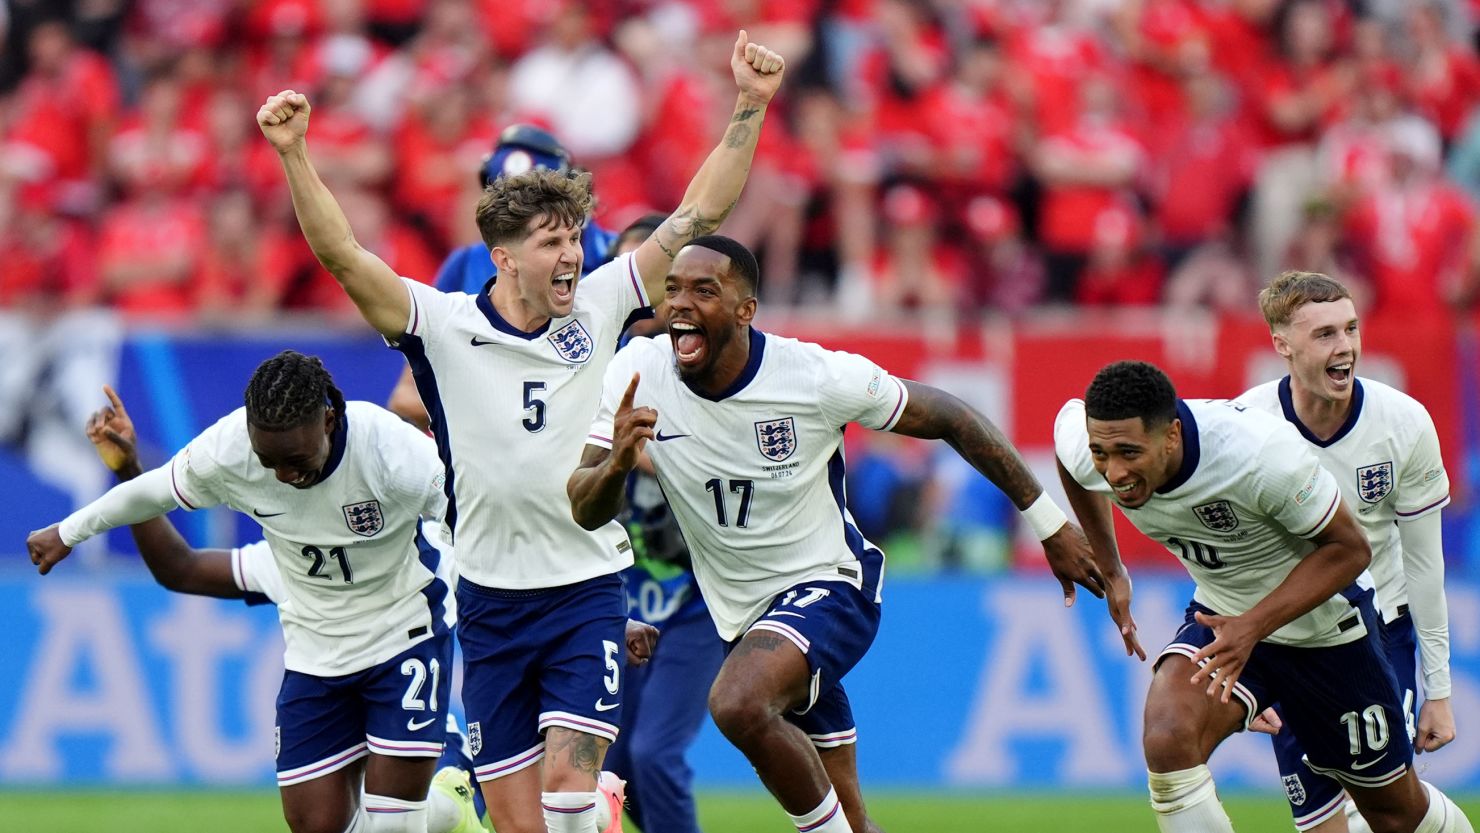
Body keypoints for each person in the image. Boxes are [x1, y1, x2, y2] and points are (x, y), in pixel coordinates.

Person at [257, 30, 787, 833]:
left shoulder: (605, 302)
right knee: (520, 824)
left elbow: (698, 212)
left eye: (576, 238)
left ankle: (594, 804)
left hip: (584, 593)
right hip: (490, 605)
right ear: (502, 257)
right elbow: (342, 256)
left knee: (569, 803)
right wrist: (296, 153)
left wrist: (748, 104)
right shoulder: (442, 325)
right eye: (553, 243)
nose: (574, 254)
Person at [567, 236, 1110, 833]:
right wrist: (618, 461)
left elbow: (952, 416)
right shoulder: (637, 370)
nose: (680, 305)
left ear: (747, 309)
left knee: (737, 703)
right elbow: (584, 506)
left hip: (832, 586)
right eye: (672, 289)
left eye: (704, 290)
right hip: (741, 617)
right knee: (854, 818)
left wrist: (1049, 523)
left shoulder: (814, 376)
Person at [26, 352, 464, 833]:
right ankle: (452, 808)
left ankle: (452, 789)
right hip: (316, 662)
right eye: (267, 462)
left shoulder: (391, 451)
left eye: (295, 461)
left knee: (393, 826)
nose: (283, 477)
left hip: (405, 637)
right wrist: (75, 525)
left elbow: (475, 519)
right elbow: (180, 565)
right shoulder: (273, 538)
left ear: (330, 421)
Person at [1053, 360, 1474, 833]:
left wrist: (1252, 627)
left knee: (1394, 815)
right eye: (1102, 455)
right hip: (1225, 617)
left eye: (1129, 453)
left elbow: (1351, 550)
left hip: (1327, 633)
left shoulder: (1256, 456)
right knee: (1169, 735)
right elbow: (1070, 458)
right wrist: (1111, 569)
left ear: (1171, 436)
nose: (1115, 472)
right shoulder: (1098, 449)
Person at [1236, 272, 1457, 833]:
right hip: (1288, 642)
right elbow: (1228, 556)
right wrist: (1250, 667)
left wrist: (1440, 691)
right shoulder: (1244, 427)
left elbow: (1425, 567)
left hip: (1378, 637)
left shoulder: (1403, 423)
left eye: (1352, 329)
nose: (1346, 347)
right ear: (1282, 344)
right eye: (1326, 334)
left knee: (1386, 813)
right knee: (1322, 825)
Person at [601, 213, 723, 833]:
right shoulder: (592, 361)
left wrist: (638, 455)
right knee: (616, 758)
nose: (642, 292)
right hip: (620, 592)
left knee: (653, 751)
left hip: (698, 596)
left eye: (653, 275)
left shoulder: (708, 361)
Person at [388, 124, 617, 432]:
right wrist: (513, 413)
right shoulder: (467, 264)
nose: (517, 212)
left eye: (535, 199)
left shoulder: (615, 258)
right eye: (503, 198)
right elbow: (406, 396)